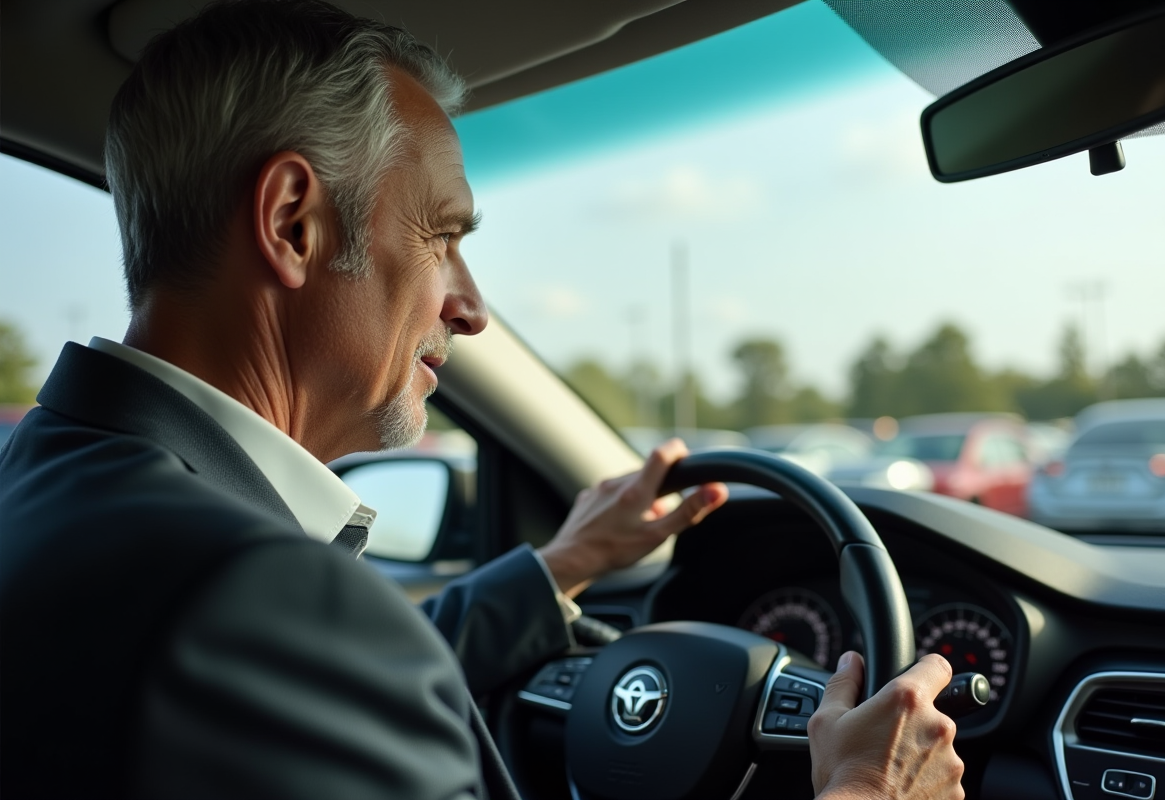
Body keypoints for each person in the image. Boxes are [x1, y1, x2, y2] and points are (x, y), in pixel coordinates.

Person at [0, 1, 964, 798]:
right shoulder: (252, 596)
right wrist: (861, 794)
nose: (469, 307)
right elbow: (308, 653)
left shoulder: (49, 488)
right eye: (441, 236)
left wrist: (562, 566)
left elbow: (345, 691)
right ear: (293, 223)